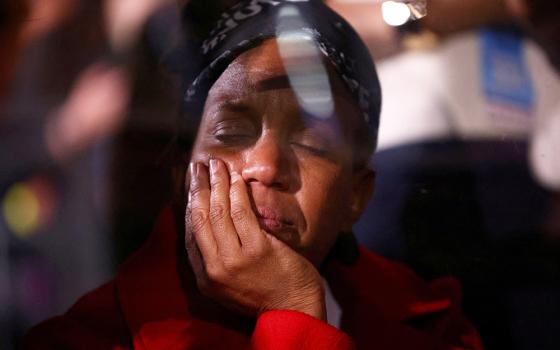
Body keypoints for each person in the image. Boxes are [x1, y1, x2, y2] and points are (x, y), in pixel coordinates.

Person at [24, 1, 483, 349]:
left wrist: (293, 307)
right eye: (231, 131)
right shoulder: (90, 337)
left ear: (356, 196)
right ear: (183, 172)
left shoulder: (435, 327)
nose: (266, 166)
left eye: (313, 143)